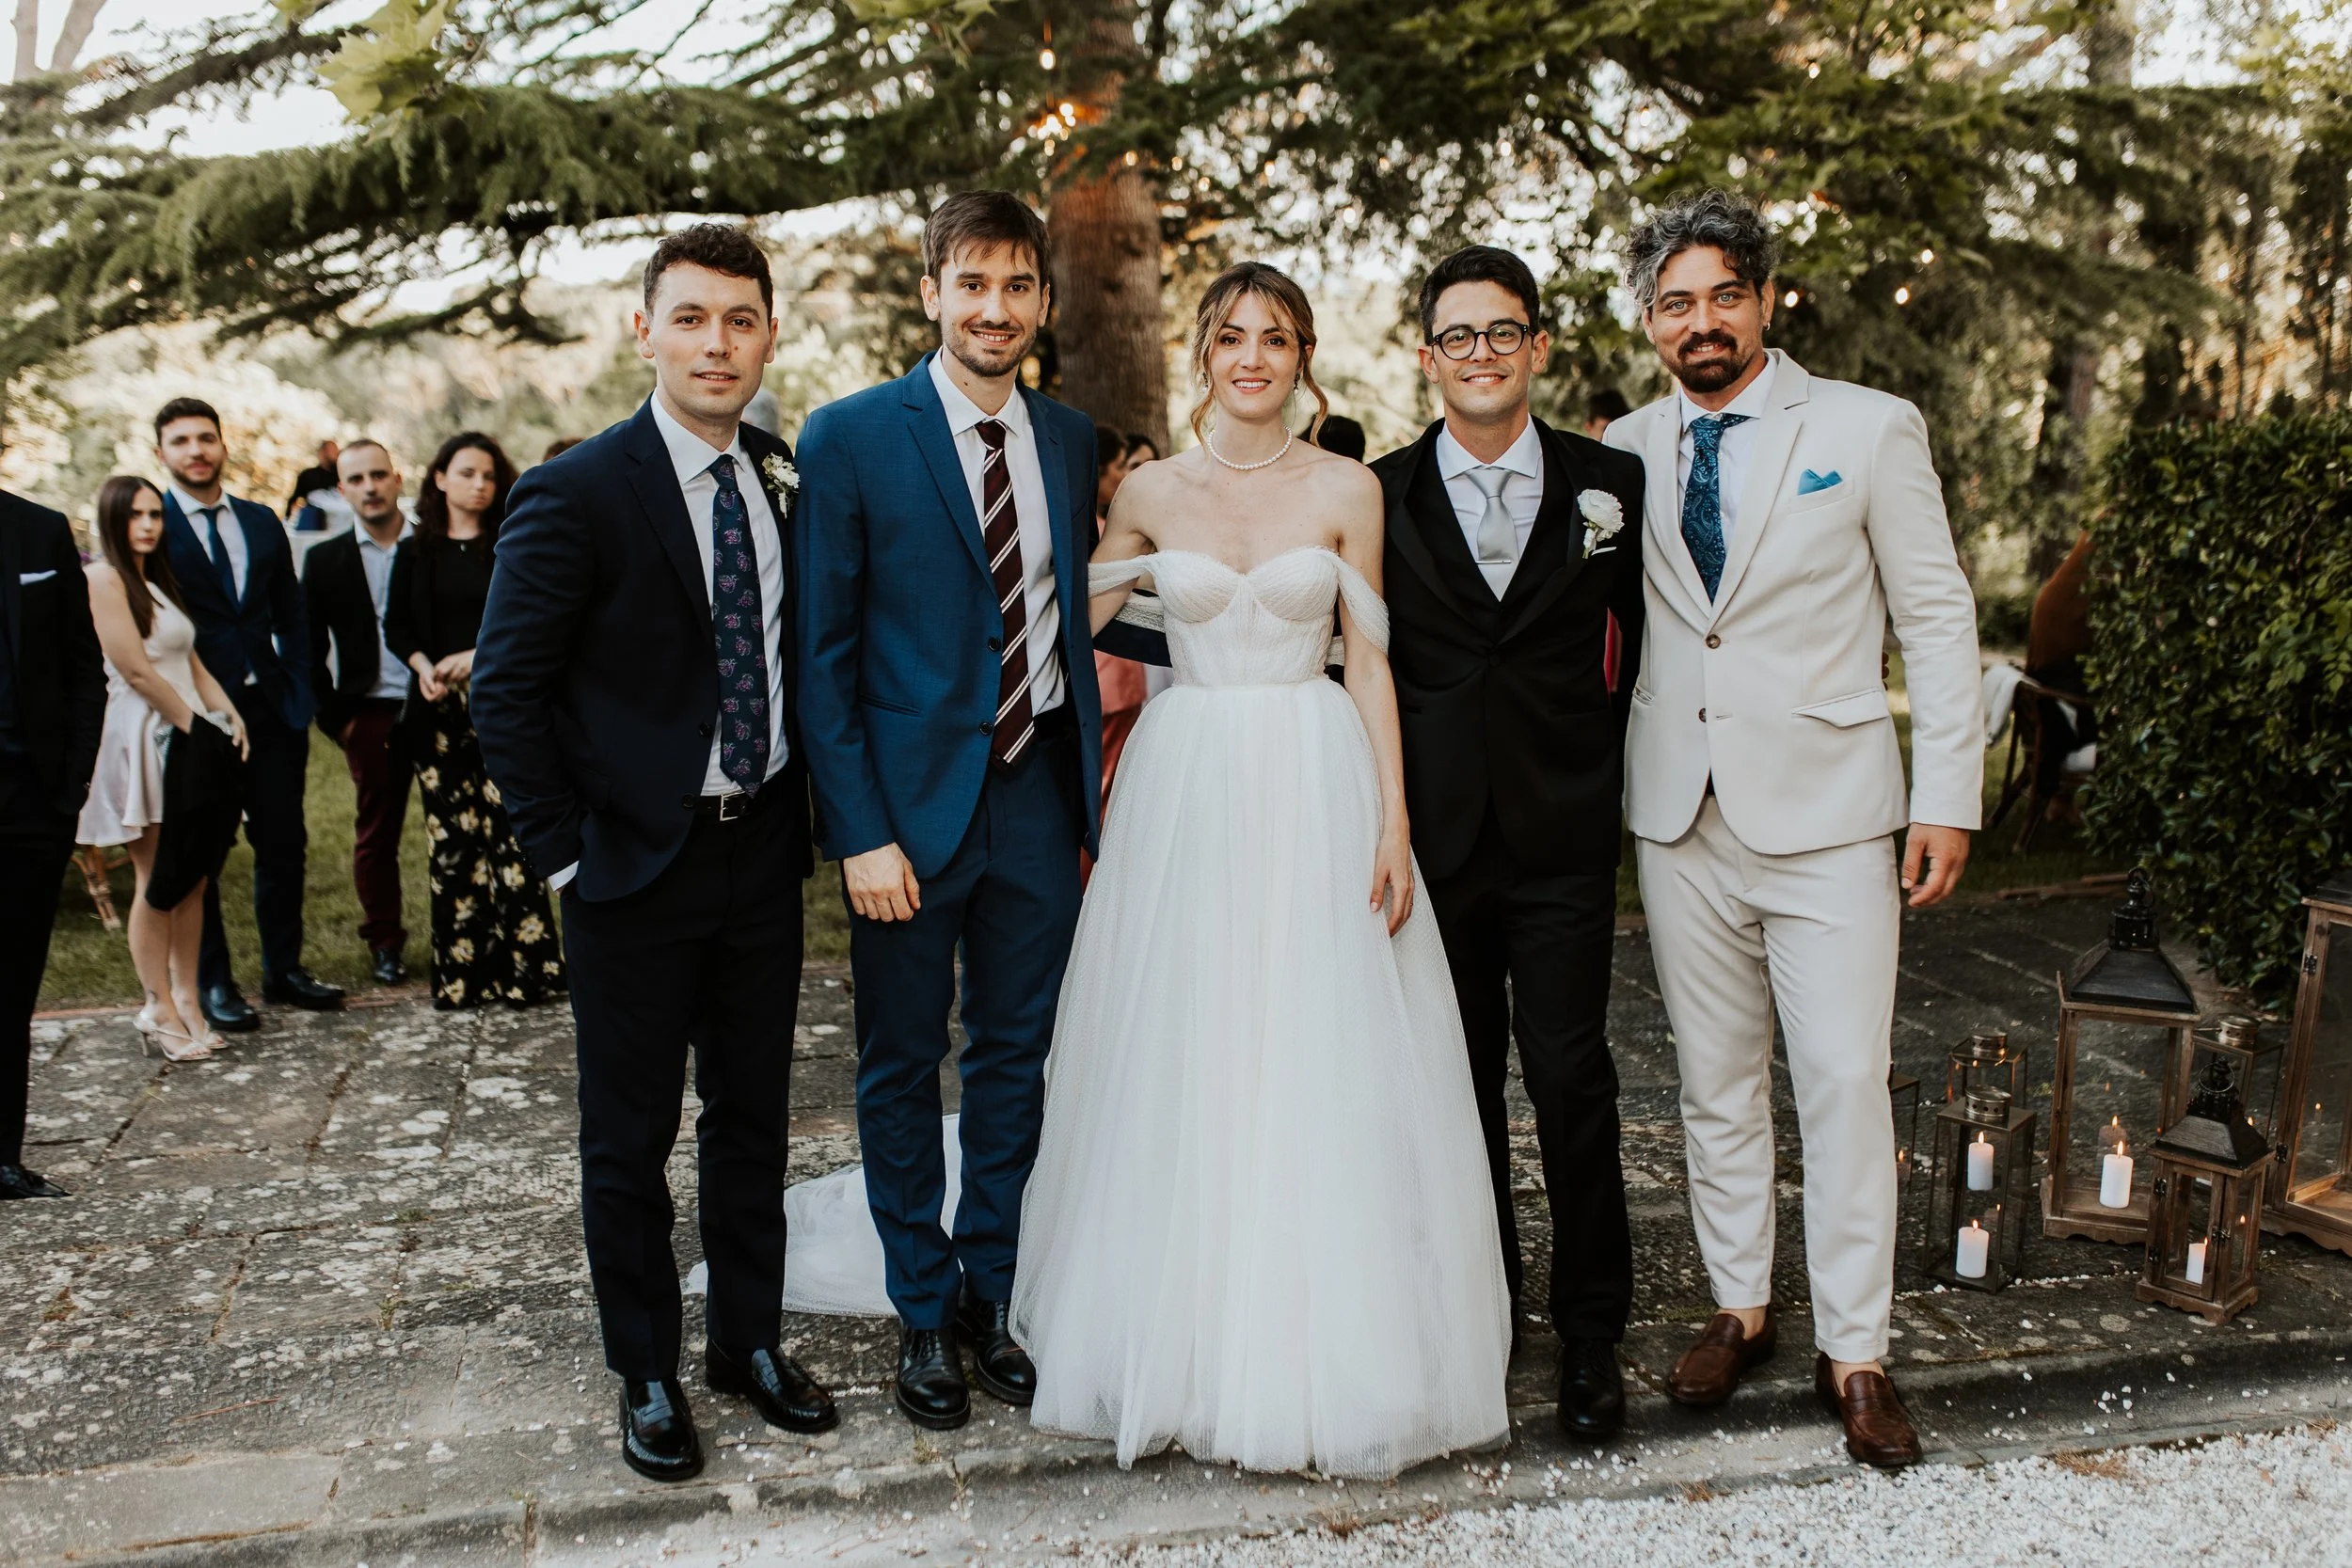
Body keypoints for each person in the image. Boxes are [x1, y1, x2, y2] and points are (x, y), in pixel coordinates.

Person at [1011, 262, 1508, 1480]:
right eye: (1231, 336)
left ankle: (1322, 1344)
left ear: (1302, 357)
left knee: (1314, 1040)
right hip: (1186, 786)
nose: (1252, 356)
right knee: (1186, 1040)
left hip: (1311, 766)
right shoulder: (1151, 490)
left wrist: (1391, 819)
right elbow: (1057, 605)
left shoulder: (1346, 486)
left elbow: (1373, 662)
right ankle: (1175, 1335)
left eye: (1275, 338)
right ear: (1201, 353)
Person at [1603, 191, 1983, 1469]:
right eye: (1674, 301)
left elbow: (1934, 617)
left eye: (1722, 295)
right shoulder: (1625, 442)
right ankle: (1741, 1304)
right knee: (1712, 1081)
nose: (1698, 321)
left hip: (1829, 814)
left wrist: (1948, 796)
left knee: (1839, 1078)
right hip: (1678, 811)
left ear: (1766, 300)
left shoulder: (1869, 429)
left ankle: (1858, 1347)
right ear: (1649, 319)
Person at [473, 224, 834, 1483]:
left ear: (768, 334)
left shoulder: (783, 476)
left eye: (740, 318)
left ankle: (748, 1340)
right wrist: (564, 856)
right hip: (628, 870)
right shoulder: (576, 491)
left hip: (760, 856)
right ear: (646, 330)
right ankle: (647, 1365)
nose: (716, 342)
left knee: (753, 1120)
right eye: (691, 317)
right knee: (626, 1137)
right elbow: (504, 692)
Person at [794, 192, 1106, 1434]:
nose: (995, 307)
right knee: (897, 1061)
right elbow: (820, 654)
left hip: (1038, 798)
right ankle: (919, 1304)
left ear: (1041, 301)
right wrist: (859, 828)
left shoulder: (1073, 439)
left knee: (1017, 1059)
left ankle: (988, 1288)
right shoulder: (853, 435)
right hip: (906, 819)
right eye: (971, 282)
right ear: (932, 290)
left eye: (1017, 285)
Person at [1359, 245, 1651, 1441]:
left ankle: (1592, 1330)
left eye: (1502, 332)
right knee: (1457, 1081)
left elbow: (1644, 639)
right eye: (1457, 335)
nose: (1480, 353)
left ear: (1537, 346)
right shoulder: (1374, 493)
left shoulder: (1609, 484)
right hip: (1435, 842)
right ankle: (1485, 1308)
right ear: (1427, 358)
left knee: (1573, 1074)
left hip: (1565, 833)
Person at [152, 398, 342, 1029]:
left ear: (223, 446)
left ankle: (283, 972)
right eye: (180, 441)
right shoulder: (153, 528)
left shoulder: (262, 521)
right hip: (200, 716)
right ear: (162, 454)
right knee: (204, 853)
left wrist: (299, 690)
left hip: (270, 708)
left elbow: (290, 611)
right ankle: (213, 984)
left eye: (205, 438)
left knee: (284, 844)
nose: (195, 450)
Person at [388, 434, 564, 1011]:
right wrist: (422, 668)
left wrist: (477, 656)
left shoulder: (511, 544)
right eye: (466, 473)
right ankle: (464, 978)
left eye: (489, 475)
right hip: (438, 718)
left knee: (515, 839)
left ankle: (530, 975)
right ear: (439, 478)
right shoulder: (415, 552)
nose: (479, 485)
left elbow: (536, 622)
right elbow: (398, 628)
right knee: (453, 846)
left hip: (507, 712)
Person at [79, 476, 251, 1062]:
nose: (149, 524)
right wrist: (195, 730)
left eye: (155, 514)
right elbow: (137, 672)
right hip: (149, 738)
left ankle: (188, 997)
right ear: (113, 520)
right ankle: (157, 1005)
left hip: (191, 732)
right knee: (158, 878)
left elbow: (190, 660)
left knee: (196, 877)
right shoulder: (103, 579)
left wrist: (227, 713)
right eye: (136, 516)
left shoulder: (157, 582)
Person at [0, 486, 104, 1200]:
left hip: (30, 804)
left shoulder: (38, 532)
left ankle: (3, 1156)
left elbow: (82, 670)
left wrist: (67, 792)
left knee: (12, 986)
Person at [303, 441, 414, 987]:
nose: (369, 487)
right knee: (377, 831)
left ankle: (473, 935)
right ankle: (385, 942)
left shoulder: (434, 545)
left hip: (441, 701)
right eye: (356, 479)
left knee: (468, 827)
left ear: (397, 480)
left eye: (378, 475)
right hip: (370, 710)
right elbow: (303, 646)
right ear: (341, 490)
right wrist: (334, 718)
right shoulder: (325, 560)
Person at [1090, 428, 1149, 825]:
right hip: (1108, 683)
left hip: (1118, 684)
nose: (1121, 479)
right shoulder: (1096, 533)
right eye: (1117, 468)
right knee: (1104, 795)